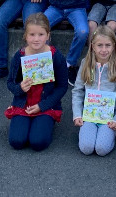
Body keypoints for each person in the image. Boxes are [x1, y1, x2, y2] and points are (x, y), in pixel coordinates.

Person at [6, 13, 69, 151]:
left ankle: (45, 122)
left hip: (45, 105)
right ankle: (28, 123)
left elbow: (62, 86)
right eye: (32, 35)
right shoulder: (20, 55)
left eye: (41, 34)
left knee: (38, 142)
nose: (36, 39)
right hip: (24, 104)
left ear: (48, 35)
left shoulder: (56, 56)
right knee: (17, 141)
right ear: (25, 36)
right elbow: (10, 82)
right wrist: (20, 88)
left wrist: (43, 105)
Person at [71, 26, 116, 156]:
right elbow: (78, 90)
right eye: (100, 45)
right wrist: (77, 114)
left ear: (114, 46)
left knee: (101, 149)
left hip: (109, 118)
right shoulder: (85, 63)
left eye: (108, 45)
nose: (104, 50)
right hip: (89, 116)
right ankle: (90, 132)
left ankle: (111, 134)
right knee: (86, 148)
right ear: (92, 46)